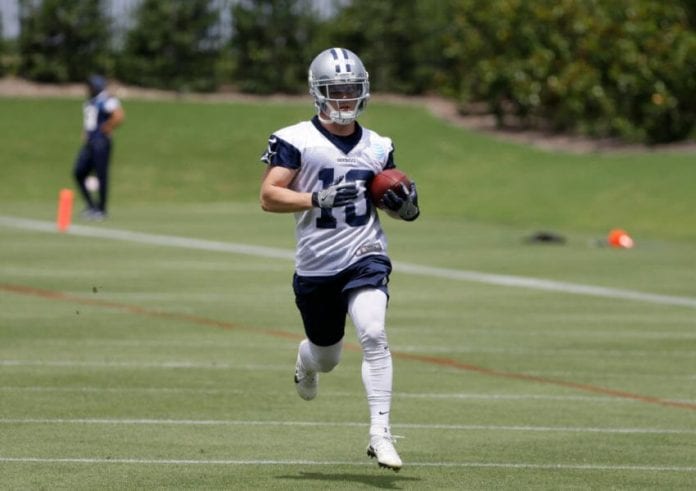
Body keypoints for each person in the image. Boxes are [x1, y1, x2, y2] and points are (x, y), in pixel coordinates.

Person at [259, 47, 420, 472]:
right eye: (337, 90)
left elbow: (385, 196)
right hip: (316, 264)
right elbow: (269, 196)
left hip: (365, 254)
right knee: (327, 357)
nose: (345, 98)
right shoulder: (296, 139)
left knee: (374, 333)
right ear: (318, 92)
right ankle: (306, 360)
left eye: (351, 90)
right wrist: (315, 198)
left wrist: (404, 207)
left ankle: (381, 434)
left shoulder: (378, 145)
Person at [73, 74, 125, 220]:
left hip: (101, 143)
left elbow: (119, 116)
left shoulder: (105, 99)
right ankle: (91, 205)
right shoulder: (92, 101)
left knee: (101, 175)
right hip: (90, 143)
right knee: (79, 172)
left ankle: (101, 209)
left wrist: (105, 128)